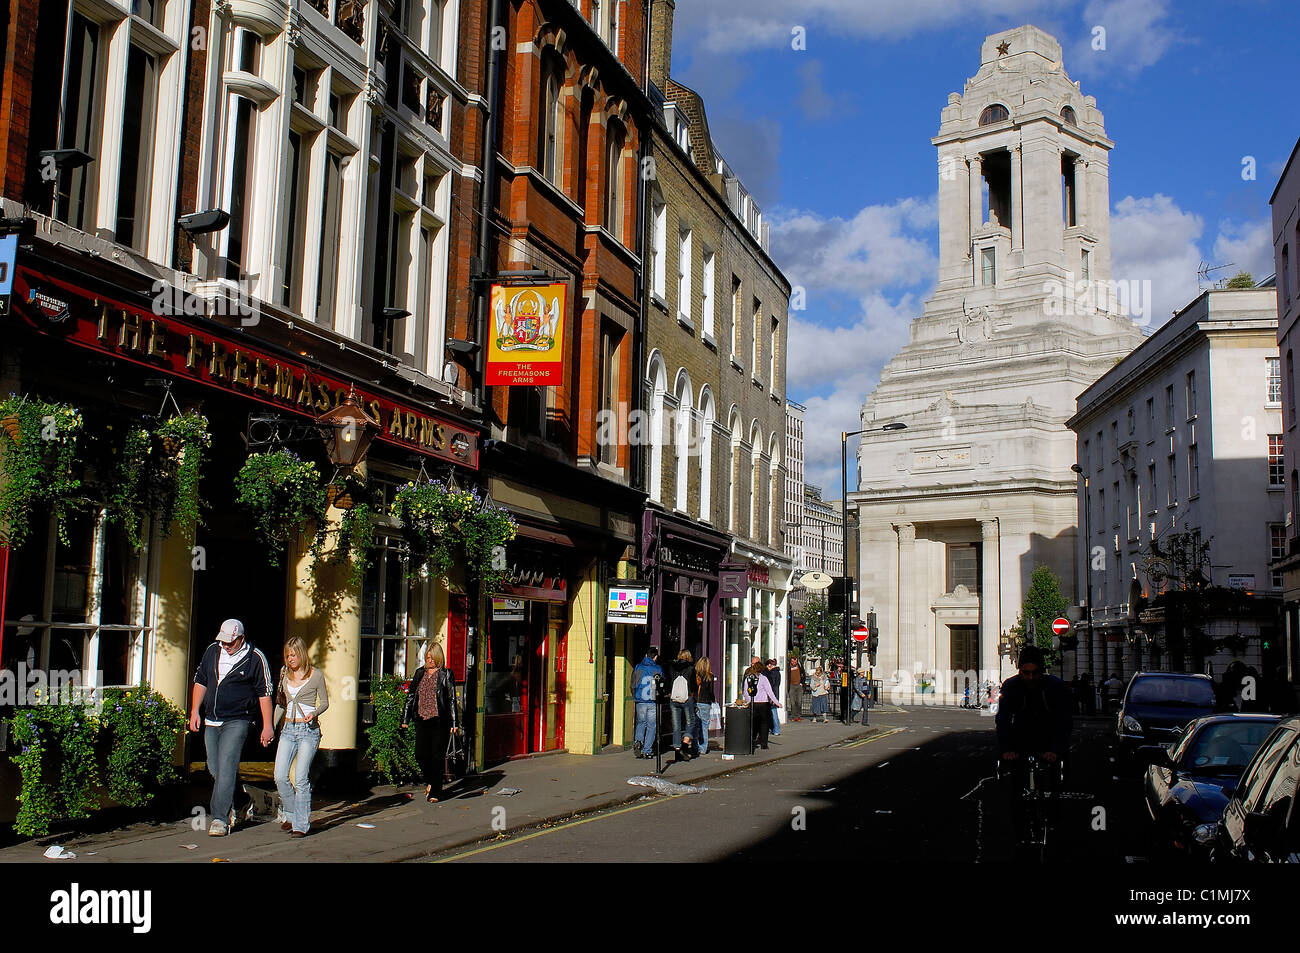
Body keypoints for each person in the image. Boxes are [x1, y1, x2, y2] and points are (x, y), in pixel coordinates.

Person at [189, 619, 273, 837]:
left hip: (238, 719)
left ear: (241, 639)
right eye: (223, 641)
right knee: (215, 768)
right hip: (211, 719)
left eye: (230, 642)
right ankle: (242, 800)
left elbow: (265, 694)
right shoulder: (212, 651)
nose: (226, 645)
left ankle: (220, 818)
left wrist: (268, 726)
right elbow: (201, 681)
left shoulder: (255, 658)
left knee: (227, 765)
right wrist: (194, 711)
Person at [995, 646, 1072, 842]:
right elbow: (1003, 719)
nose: (1030, 678)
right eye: (1025, 673)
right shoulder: (1011, 686)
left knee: (1054, 780)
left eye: (1034, 673)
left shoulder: (1055, 687)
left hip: (1047, 736)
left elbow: (1063, 721)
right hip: (1021, 737)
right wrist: (1006, 750)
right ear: (1020, 671)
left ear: (1042, 671)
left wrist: (1056, 750)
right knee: (1017, 787)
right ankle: (1018, 822)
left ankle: (1053, 817)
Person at [273, 636, 329, 837]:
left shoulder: (316, 675)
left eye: (294, 654)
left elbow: (324, 702)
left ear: (302, 654)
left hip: (308, 731)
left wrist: (314, 713)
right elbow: (280, 703)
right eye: (288, 655)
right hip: (288, 729)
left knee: (301, 777)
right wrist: (270, 727)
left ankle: (300, 824)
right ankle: (290, 812)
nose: (290, 659)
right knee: (280, 776)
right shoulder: (283, 673)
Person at [401, 643, 461, 803]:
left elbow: (452, 699)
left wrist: (455, 722)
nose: (429, 661)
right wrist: (405, 718)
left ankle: (435, 791)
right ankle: (431, 780)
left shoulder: (445, 674)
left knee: (437, 757)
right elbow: (411, 696)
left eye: (432, 658)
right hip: (422, 719)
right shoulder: (420, 673)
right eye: (427, 658)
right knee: (420, 754)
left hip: (439, 721)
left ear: (438, 658)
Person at [630, 647, 663, 758]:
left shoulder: (638, 667)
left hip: (640, 700)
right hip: (652, 700)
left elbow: (633, 684)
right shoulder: (658, 669)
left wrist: (635, 695)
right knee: (651, 726)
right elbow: (662, 685)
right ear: (655, 657)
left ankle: (638, 741)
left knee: (640, 723)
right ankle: (647, 750)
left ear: (645, 655)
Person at [668, 649, 696, 759]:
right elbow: (693, 684)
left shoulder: (672, 667)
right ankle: (685, 743)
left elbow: (669, 681)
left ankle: (677, 750)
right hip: (687, 698)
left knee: (676, 725)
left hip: (674, 698)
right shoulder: (691, 668)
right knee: (690, 722)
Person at [748, 661, 780, 749]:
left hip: (753, 703)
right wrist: (776, 702)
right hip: (763, 704)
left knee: (753, 723)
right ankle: (764, 743)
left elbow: (746, 691)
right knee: (764, 724)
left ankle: (752, 741)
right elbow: (769, 691)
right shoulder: (763, 678)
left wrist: (748, 701)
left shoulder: (749, 678)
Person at [694, 657, 716, 755]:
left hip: (696, 701)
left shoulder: (695, 675)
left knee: (696, 725)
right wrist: (713, 701)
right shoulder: (710, 676)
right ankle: (703, 748)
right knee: (704, 725)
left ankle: (695, 746)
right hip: (706, 702)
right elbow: (711, 692)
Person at [764, 659, 782, 736]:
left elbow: (771, 685)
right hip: (775, 694)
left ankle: (775, 729)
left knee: (772, 712)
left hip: (772, 695)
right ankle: (776, 729)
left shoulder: (771, 673)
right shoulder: (777, 673)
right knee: (773, 711)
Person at [788, 656, 804, 721]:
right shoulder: (788, 667)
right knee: (792, 702)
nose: (794, 662)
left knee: (799, 701)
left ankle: (798, 716)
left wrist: (802, 682)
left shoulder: (799, 666)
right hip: (791, 685)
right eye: (792, 661)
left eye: (795, 661)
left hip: (799, 685)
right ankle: (793, 716)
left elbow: (803, 674)